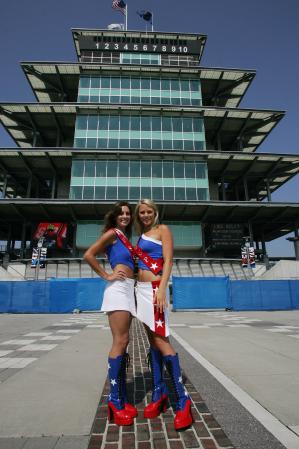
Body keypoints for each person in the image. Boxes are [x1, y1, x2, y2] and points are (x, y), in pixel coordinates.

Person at [134, 199, 193, 430]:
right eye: (142, 212)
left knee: (162, 341)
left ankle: (182, 400)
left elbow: (168, 260)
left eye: (149, 211)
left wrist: (161, 288)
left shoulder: (163, 230)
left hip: (154, 290)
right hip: (140, 291)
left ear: (155, 212)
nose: (146, 215)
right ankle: (159, 393)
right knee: (152, 342)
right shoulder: (142, 235)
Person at [83, 201, 137, 426]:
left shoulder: (125, 238)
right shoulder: (113, 234)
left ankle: (121, 397)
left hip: (129, 289)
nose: (125, 216)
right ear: (114, 217)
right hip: (118, 289)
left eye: (127, 213)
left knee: (124, 342)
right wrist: (106, 275)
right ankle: (114, 401)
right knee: (120, 341)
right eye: (121, 213)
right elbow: (89, 255)